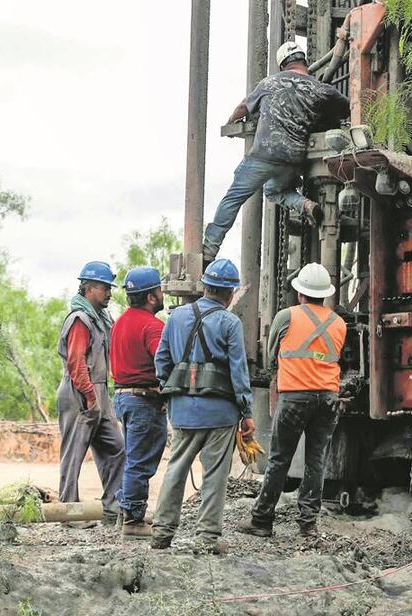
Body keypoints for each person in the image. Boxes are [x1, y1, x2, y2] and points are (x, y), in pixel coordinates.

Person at [203, 41, 350, 262]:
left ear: (282, 65)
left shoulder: (269, 83)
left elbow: (243, 107)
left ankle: (209, 248)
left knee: (233, 198)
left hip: (264, 156)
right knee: (273, 190)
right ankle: (305, 204)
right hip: (293, 159)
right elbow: (348, 107)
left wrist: (230, 122)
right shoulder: (321, 89)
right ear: (305, 62)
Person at [150, 259, 254, 553]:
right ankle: (207, 538)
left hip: (183, 410)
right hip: (221, 413)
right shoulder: (230, 323)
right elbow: (238, 371)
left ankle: (161, 533)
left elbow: (162, 360)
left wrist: (173, 390)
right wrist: (246, 412)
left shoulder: (176, 317)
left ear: (205, 287)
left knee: (176, 469)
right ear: (230, 294)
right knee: (215, 475)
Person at [239, 263, 346, 538]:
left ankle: (262, 521)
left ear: (300, 293)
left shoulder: (286, 316)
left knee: (279, 459)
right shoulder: (339, 323)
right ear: (326, 294)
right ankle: (308, 526)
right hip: (328, 398)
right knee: (316, 461)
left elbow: (271, 354)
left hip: (295, 397)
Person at [56, 261, 125, 526]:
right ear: (89, 289)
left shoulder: (101, 318)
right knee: (74, 454)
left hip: (99, 391)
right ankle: (69, 514)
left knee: (116, 448)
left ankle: (112, 509)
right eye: (105, 288)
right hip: (79, 392)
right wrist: (90, 396)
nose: (109, 293)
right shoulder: (80, 319)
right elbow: (76, 362)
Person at [109, 266, 167, 537]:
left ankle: (126, 512)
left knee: (134, 458)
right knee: (140, 461)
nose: (162, 294)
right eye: (160, 290)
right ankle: (133, 520)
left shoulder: (119, 323)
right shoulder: (152, 326)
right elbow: (163, 362)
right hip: (143, 400)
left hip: (123, 397)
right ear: (151, 297)